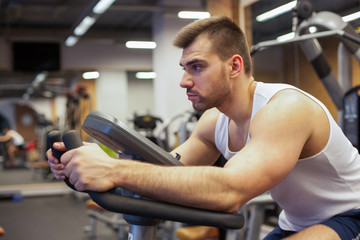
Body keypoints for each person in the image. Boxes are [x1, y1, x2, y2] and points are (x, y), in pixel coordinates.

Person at [47, 16, 360, 239]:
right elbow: (167, 170)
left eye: (196, 67)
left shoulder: (285, 108)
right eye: (184, 69)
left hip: (350, 216)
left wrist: (113, 172)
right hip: (296, 222)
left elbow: (230, 190)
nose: (184, 80)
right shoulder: (214, 122)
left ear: (234, 66)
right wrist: (89, 162)